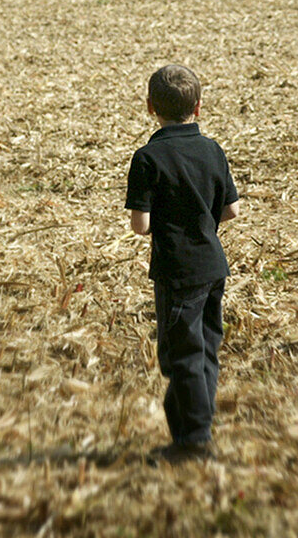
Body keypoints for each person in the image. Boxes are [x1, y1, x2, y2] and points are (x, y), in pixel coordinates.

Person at [125, 63, 240, 465]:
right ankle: (198, 430)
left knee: (182, 356)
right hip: (214, 266)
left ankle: (192, 443)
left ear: (150, 107)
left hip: (177, 271)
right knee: (206, 350)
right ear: (199, 107)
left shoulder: (147, 158)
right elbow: (232, 212)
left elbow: (141, 226)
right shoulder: (213, 150)